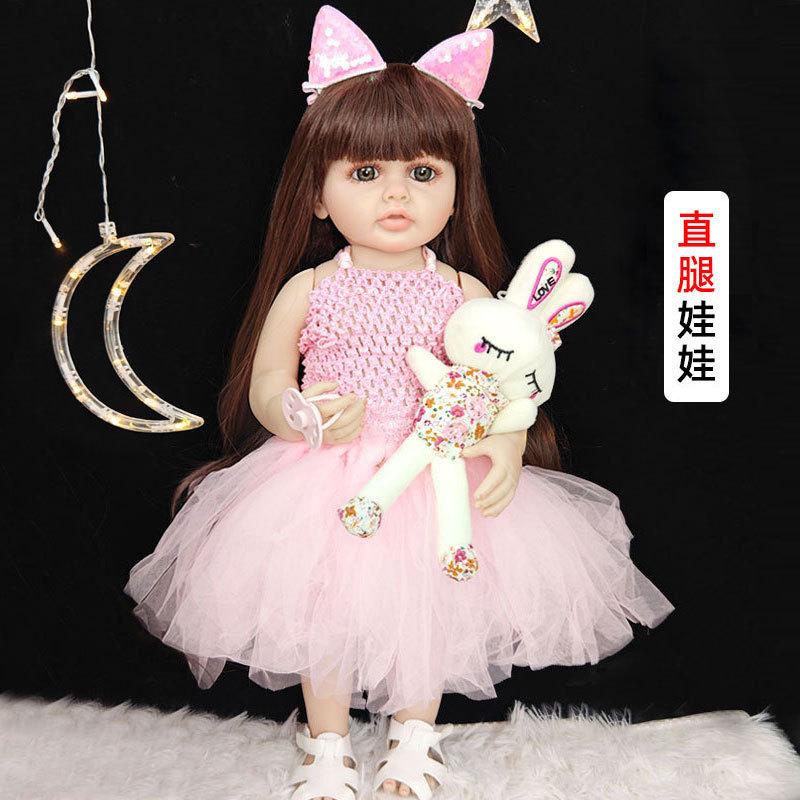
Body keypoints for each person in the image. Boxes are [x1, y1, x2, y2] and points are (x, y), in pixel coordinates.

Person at [124, 7, 675, 799]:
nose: (395, 194)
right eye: (363, 173)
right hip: (325, 475)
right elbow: (268, 382)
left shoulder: (464, 290)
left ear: (457, 188)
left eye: (422, 173)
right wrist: (299, 413)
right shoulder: (312, 287)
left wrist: (506, 447)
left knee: (432, 608)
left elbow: (503, 388)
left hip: (439, 475)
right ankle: (326, 741)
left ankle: (416, 734)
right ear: (317, 194)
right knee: (321, 606)